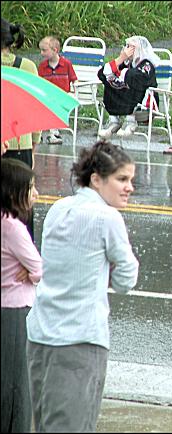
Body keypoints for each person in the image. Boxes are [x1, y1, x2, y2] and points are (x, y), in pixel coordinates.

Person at [26, 141, 139, 432]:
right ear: (96, 179)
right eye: (122, 179)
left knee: (45, 423)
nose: (129, 188)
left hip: (40, 334)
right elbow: (126, 278)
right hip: (80, 339)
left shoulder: (58, 209)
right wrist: (108, 273)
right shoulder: (107, 217)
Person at [1, 158, 41, 433]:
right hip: (15, 310)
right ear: (13, 192)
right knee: (16, 385)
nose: (36, 194)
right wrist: (33, 273)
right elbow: (39, 267)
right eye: (30, 188)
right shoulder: (13, 227)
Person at [1, 17, 40, 240]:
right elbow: (35, 107)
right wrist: (34, 143)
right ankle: (24, 251)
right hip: (19, 143)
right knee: (21, 204)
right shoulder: (27, 67)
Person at [97, 35, 160, 139]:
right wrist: (120, 59)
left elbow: (135, 78)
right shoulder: (126, 63)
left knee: (131, 81)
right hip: (126, 103)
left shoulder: (147, 65)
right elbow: (101, 74)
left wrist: (121, 73)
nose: (125, 50)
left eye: (129, 47)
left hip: (144, 105)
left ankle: (131, 121)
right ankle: (114, 121)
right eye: (126, 46)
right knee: (109, 80)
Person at [38, 35, 78, 144]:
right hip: (48, 96)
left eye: (44, 50)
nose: (41, 53)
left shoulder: (66, 64)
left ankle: (53, 133)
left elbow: (74, 80)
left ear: (55, 50)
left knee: (54, 104)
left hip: (63, 95)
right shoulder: (42, 66)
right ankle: (40, 132)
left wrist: (76, 92)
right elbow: (39, 83)